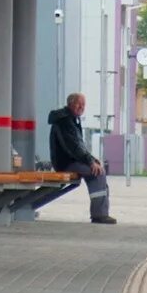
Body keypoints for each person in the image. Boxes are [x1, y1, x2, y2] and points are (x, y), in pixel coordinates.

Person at [49, 92, 116, 224]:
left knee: (97, 171)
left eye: (83, 104)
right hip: (66, 163)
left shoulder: (71, 119)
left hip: (70, 161)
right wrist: (90, 161)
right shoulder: (65, 121)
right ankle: (99, 214)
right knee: (98, 173)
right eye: (78, 103)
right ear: (70, 104)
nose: (81, 106)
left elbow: (79, 147)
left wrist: (92, 160)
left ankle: (100, 212)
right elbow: (74, 147)